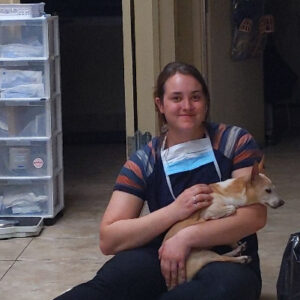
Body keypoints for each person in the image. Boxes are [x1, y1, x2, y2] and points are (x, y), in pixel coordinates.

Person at [55, 62, 266, 300]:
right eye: (176, 98)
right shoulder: (144, 160)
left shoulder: (235, 142)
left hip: (227, 257)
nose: (187, 106)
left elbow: (255, 216)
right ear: (160, 104)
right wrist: (175, 211)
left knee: (225, 289)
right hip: (163, 252)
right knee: (112, 281)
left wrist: (187, 238)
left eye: (195, 97)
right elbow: (110, 238)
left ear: (206, 102)